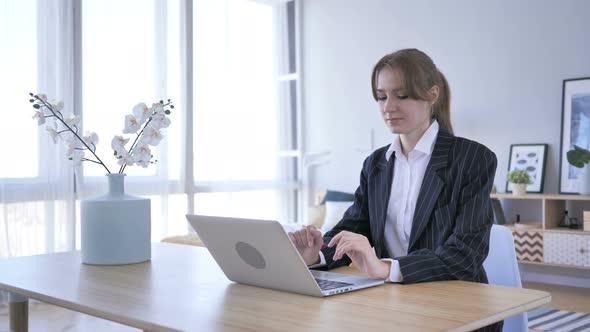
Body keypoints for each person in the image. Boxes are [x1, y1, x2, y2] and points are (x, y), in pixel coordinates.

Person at [289, 48, 500, 331]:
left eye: (402, 96)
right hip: (392, 303)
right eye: (381, 96)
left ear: (432, 94)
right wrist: (315, 255)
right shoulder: (376, 164)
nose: (389, 106)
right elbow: (355, 227)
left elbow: (465, 255)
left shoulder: (473, 159)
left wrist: (386, 268)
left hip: (456, 307)